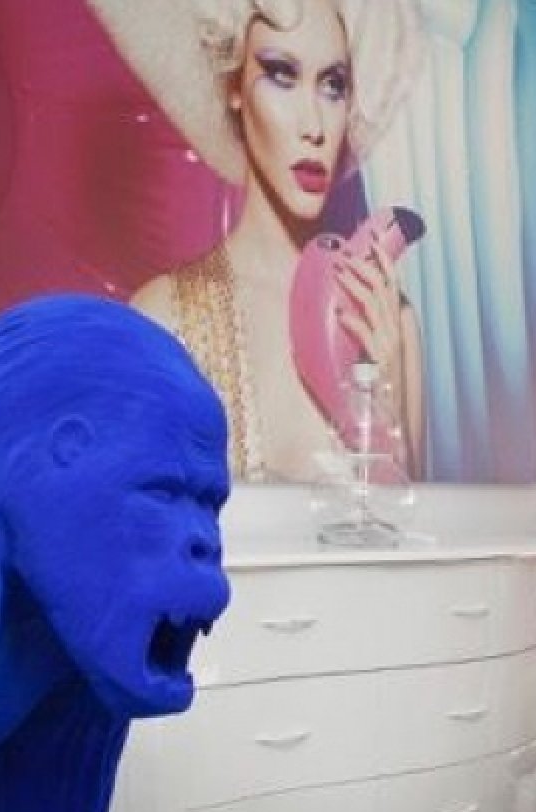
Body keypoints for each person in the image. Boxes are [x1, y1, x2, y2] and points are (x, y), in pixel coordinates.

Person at [89, 0, 428, 482]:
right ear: (234, 87)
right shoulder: (163, 320)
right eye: (281, 74)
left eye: (333, 85)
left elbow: (412, 524)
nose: (313, 126)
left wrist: (382, 405)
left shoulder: (390, 320)